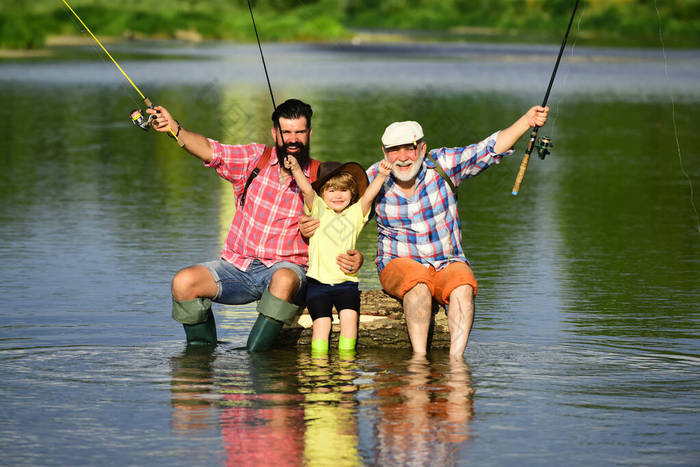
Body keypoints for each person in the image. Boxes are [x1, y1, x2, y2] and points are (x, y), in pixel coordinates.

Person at [146, 99, 363, 350]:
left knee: (283, 277)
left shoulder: (319, 176)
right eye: (286, 132)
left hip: (287, 270)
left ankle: (255, 357)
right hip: (237, 267)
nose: (293, 139)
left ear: (309, 133)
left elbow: (346, 226)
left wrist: (356, 258)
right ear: (274, 133)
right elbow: (210, 149)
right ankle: (201, 358)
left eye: (300, 132)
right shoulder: (254, 159)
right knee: (183, 282)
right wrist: (175, 128)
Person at [366, 105, 549, 358]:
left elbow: (488, 149)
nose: (403, 157)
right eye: (394, 150)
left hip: (447, 261)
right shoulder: (373, 177)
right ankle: (419, 361)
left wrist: (527, 121)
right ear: (384, 152)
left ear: (422, 148)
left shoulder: (442, 164)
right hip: (399, 262)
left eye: (410, 148)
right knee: (417, 285)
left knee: (463, 285)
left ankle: (456, 360)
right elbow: (345, 217)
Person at [285, 155, 393, 354]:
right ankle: (319, 368)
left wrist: (382, 175)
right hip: (317, 283)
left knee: (350, 320)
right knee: (322, 324)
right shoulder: (318, 209)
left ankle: (346, 366)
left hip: (347, 283)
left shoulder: (354, 214)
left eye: (343, 190)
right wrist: (296, 169)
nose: (338, 195)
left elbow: (369, 196)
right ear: (323, 194)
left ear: (352, 194)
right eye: (332, 190)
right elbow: (307, 189)